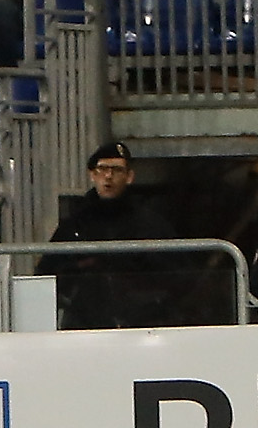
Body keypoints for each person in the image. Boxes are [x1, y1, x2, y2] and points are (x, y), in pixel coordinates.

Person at [47, 140, 181, 329]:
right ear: (92, 175)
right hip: (85, 326)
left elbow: (176, 275)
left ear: (129, 176)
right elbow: (49, 274)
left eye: (117, 170)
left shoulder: (151, 224)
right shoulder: (74, 225)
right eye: (102, 169)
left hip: (141, 326)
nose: (108, 176)